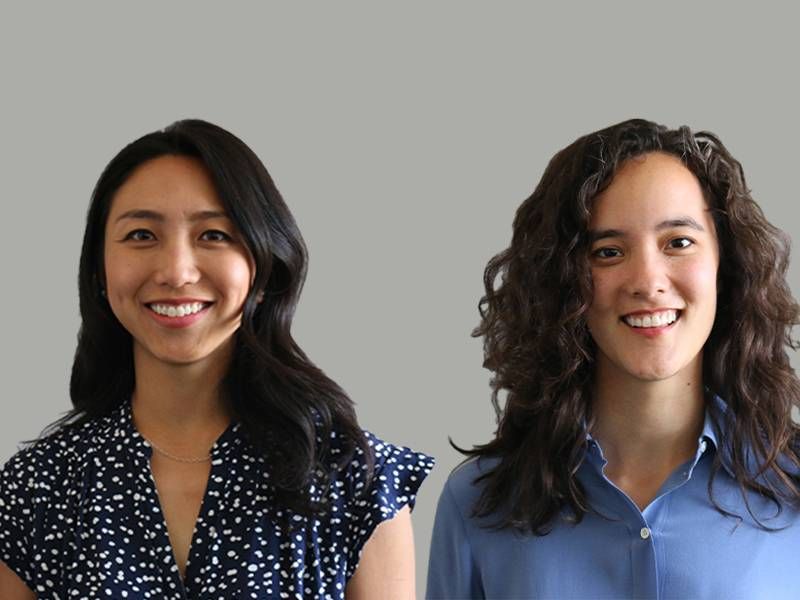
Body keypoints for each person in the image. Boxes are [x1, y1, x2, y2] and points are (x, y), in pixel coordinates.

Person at [0, 119, 434, 599]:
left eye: (214, 235)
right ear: (100, 270)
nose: (176, 272)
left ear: (265, 266)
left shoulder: (354, 477)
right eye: (142, 235)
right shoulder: (39, 487)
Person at [426, 119, 800, 599]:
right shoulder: (478, 504)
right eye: (607, 252)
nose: (647, 280)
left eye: (678, 242)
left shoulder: (792, 488)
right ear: (562, 283)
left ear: (726, 266)